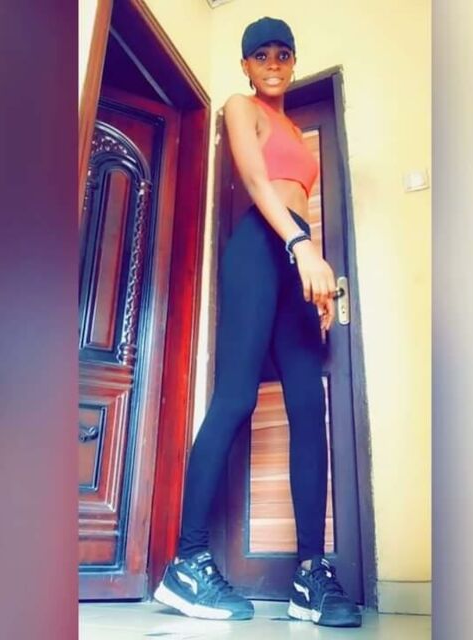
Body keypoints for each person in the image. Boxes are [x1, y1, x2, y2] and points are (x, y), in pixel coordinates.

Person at [153, 16, 361, 629]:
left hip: (298, 261)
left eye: (283, 54)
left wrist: (311, 274)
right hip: (262, 250)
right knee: (237, 397)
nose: (273, 63)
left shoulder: (295, 127)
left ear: (293, 62)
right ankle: (187, 563)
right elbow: (253, 178)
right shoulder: (240, 107)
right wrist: (302, 245)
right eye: (261, 54)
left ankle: (309, 575)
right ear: (245, 65)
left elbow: (295, 198)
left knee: (308, 404)